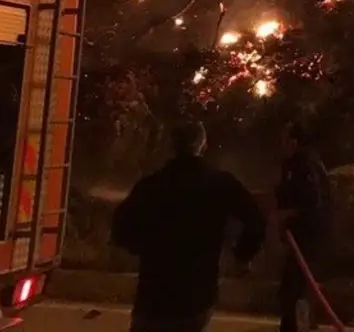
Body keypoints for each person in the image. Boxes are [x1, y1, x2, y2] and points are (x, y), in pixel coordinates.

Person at [111, 121, 265, 332]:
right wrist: (242, 256)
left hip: (154, 292)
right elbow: (255, 219)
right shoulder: (220, 183)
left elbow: (121, 229)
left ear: (172, 145)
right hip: (197, 293)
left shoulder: (152, 184)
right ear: (202, 144)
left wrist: (143, 247)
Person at [275, 121, 332, 332]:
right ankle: (299, 324)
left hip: (309, 237)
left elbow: (312, 200)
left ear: (293, 141)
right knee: (295, 287)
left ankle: (296, 327)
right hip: (299, 237)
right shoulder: (292, 163)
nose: (280, 142)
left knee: (293, 289)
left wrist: (287, 214)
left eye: (284, 137)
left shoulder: (304, 163)